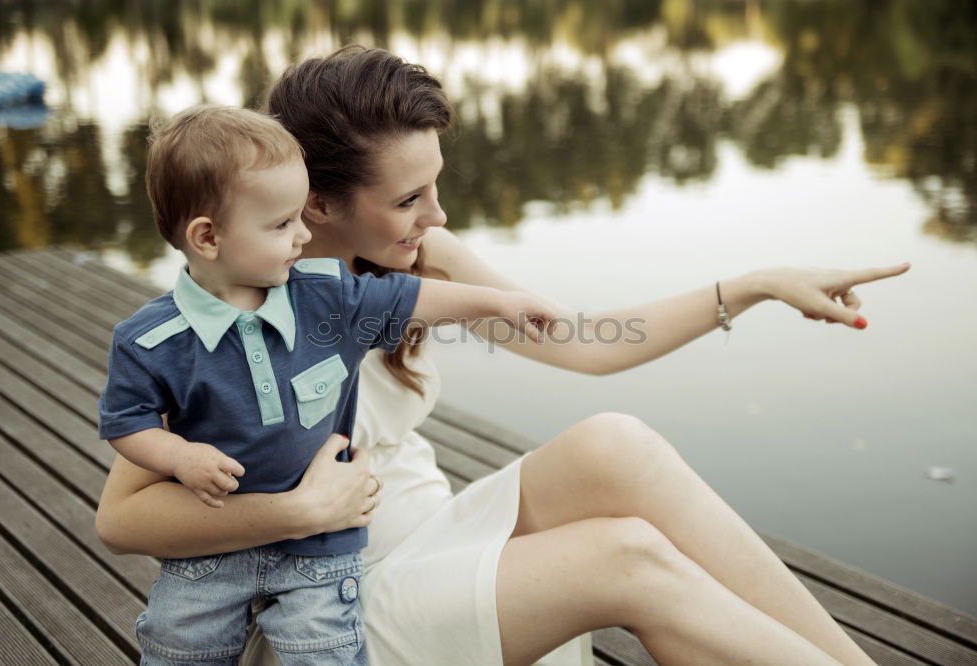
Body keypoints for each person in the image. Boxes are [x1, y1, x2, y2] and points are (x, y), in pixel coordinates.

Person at [95, 47, 910, 666]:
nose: (437, 215)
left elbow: (587, 341)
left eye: (435, 187)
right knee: (620, 557)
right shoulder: (226, 315)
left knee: (614, 443)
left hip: (432, 533)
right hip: (325, 603)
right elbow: (122, 517)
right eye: (409, 199)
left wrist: (756, 284)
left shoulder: (414, 258)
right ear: (317, 203)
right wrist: (297, 512)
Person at [98, 104, 556, 665]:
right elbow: (127, 424)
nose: (303, 235)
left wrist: (496, 303)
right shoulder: (150, 340)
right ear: (208, 238)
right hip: (212, 553)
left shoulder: (324, 294)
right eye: (282, 224)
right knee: (177, 648)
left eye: (300, 217)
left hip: (320, 552)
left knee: (327, 652)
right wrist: (179, 455)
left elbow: (414, 300)